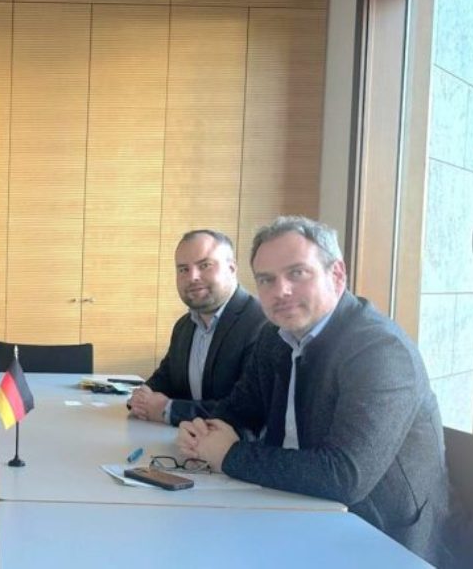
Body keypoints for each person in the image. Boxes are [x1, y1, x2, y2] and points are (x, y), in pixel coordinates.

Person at [176, 216, 447, 564]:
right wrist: (202, 431)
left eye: (297, 273)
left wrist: (228, 454)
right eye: (266, 280)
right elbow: (239, 409)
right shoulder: (274, 337)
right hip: (289, 510)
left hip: (375, 539)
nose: (281, 291)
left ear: (337, 275)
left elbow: (344, 477)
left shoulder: (380, 350)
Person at [128, 230, 266, 425]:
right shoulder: (184, 326)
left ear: (231, 268)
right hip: (184, 438)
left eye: (205, 265)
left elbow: (247, 408)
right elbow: (165, 378)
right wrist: (143, 396)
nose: (192, 277)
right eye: (183, 269)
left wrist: (169, 410)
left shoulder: (261, 323)